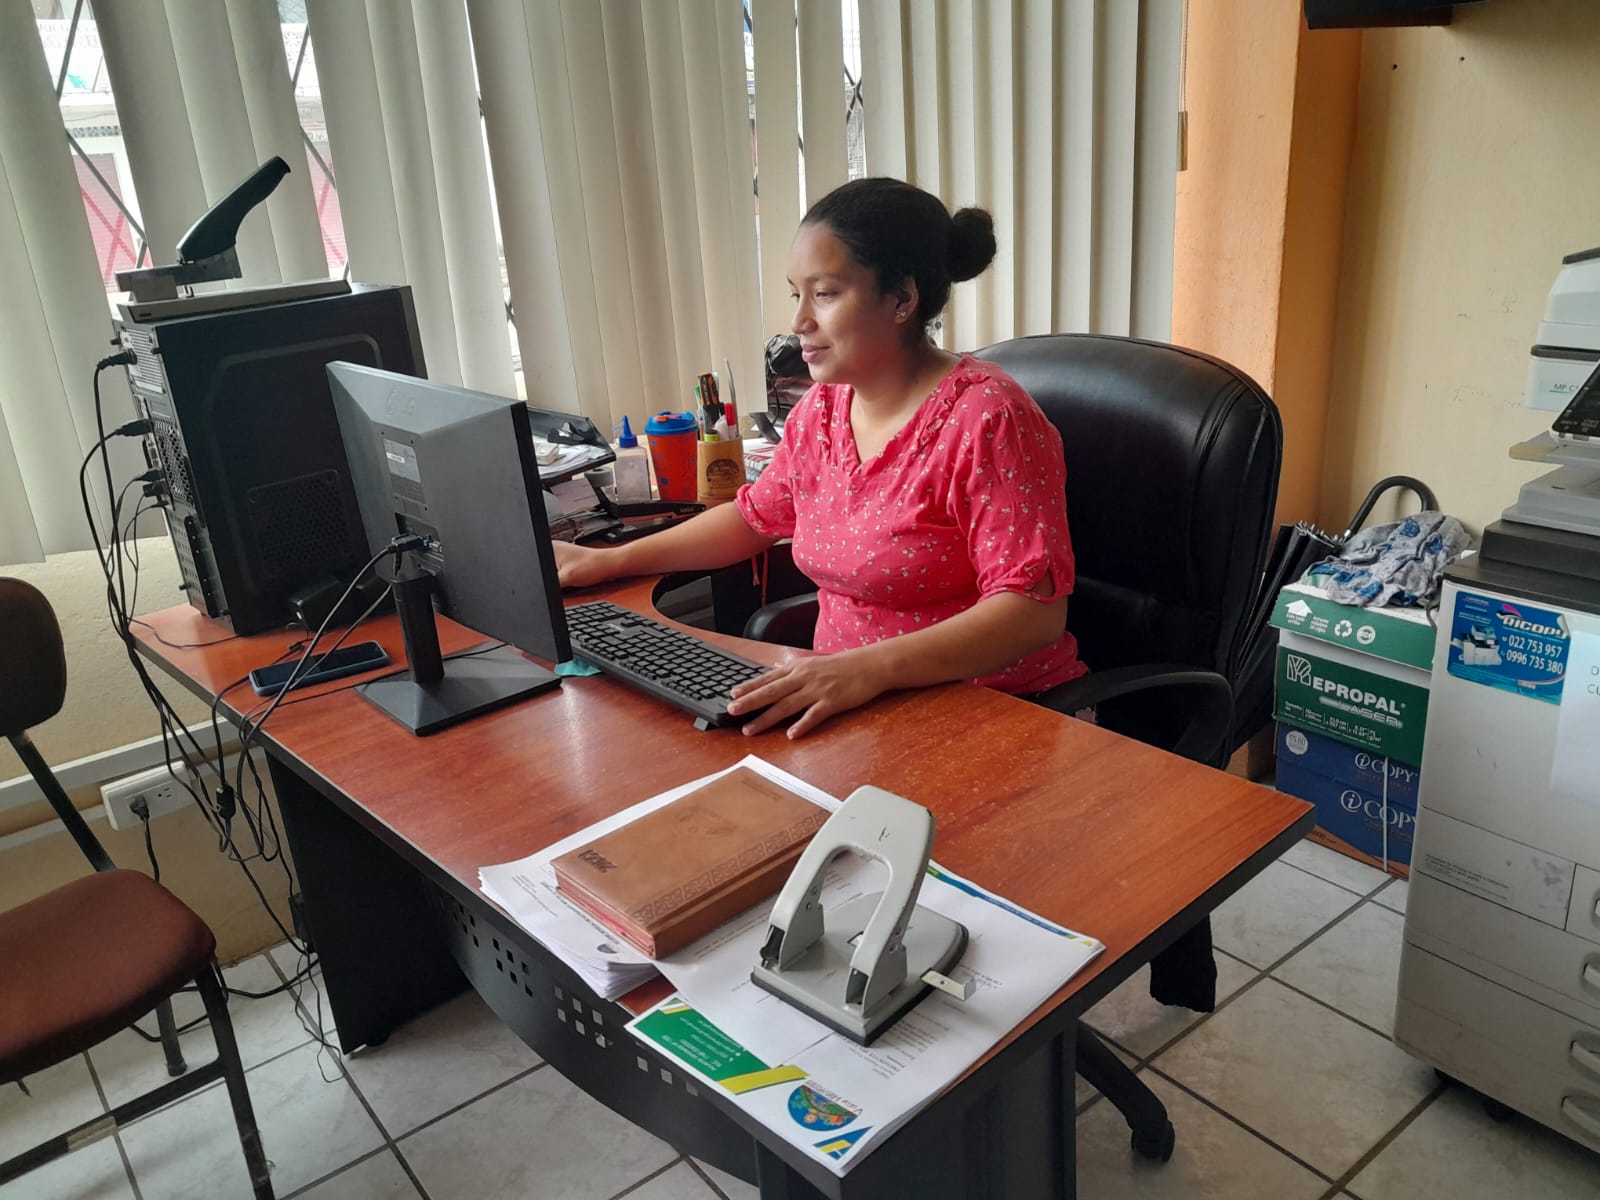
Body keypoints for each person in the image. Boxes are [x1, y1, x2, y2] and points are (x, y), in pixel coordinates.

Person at [554, 177, 1085, 738]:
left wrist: (866, 670)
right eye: (797, 295)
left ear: (902, 299)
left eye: (825, 294)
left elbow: (1033, 612)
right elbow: (753, 518)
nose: (798, 322)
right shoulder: (824, 408)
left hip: (995, 714)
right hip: (853, 709)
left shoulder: (989, 419)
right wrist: (609, 562)